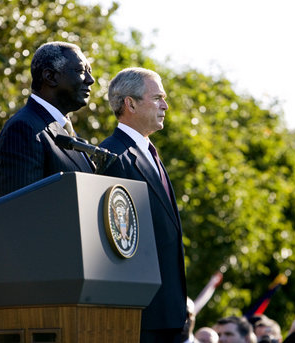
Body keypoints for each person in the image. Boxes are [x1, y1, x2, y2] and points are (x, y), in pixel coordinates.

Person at [99, 67, 187, 342]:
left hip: (169, 310)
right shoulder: (112, 155)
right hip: (142, 314)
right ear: (130, 103)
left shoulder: (149, 153)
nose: (165, 105)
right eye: (158, 97)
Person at [0, 41, 96, 197]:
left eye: (89, 71)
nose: (90, 79)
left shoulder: (67, 132)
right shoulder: (23, 129)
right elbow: (18, 210)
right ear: (50, 77)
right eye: (81, 70)